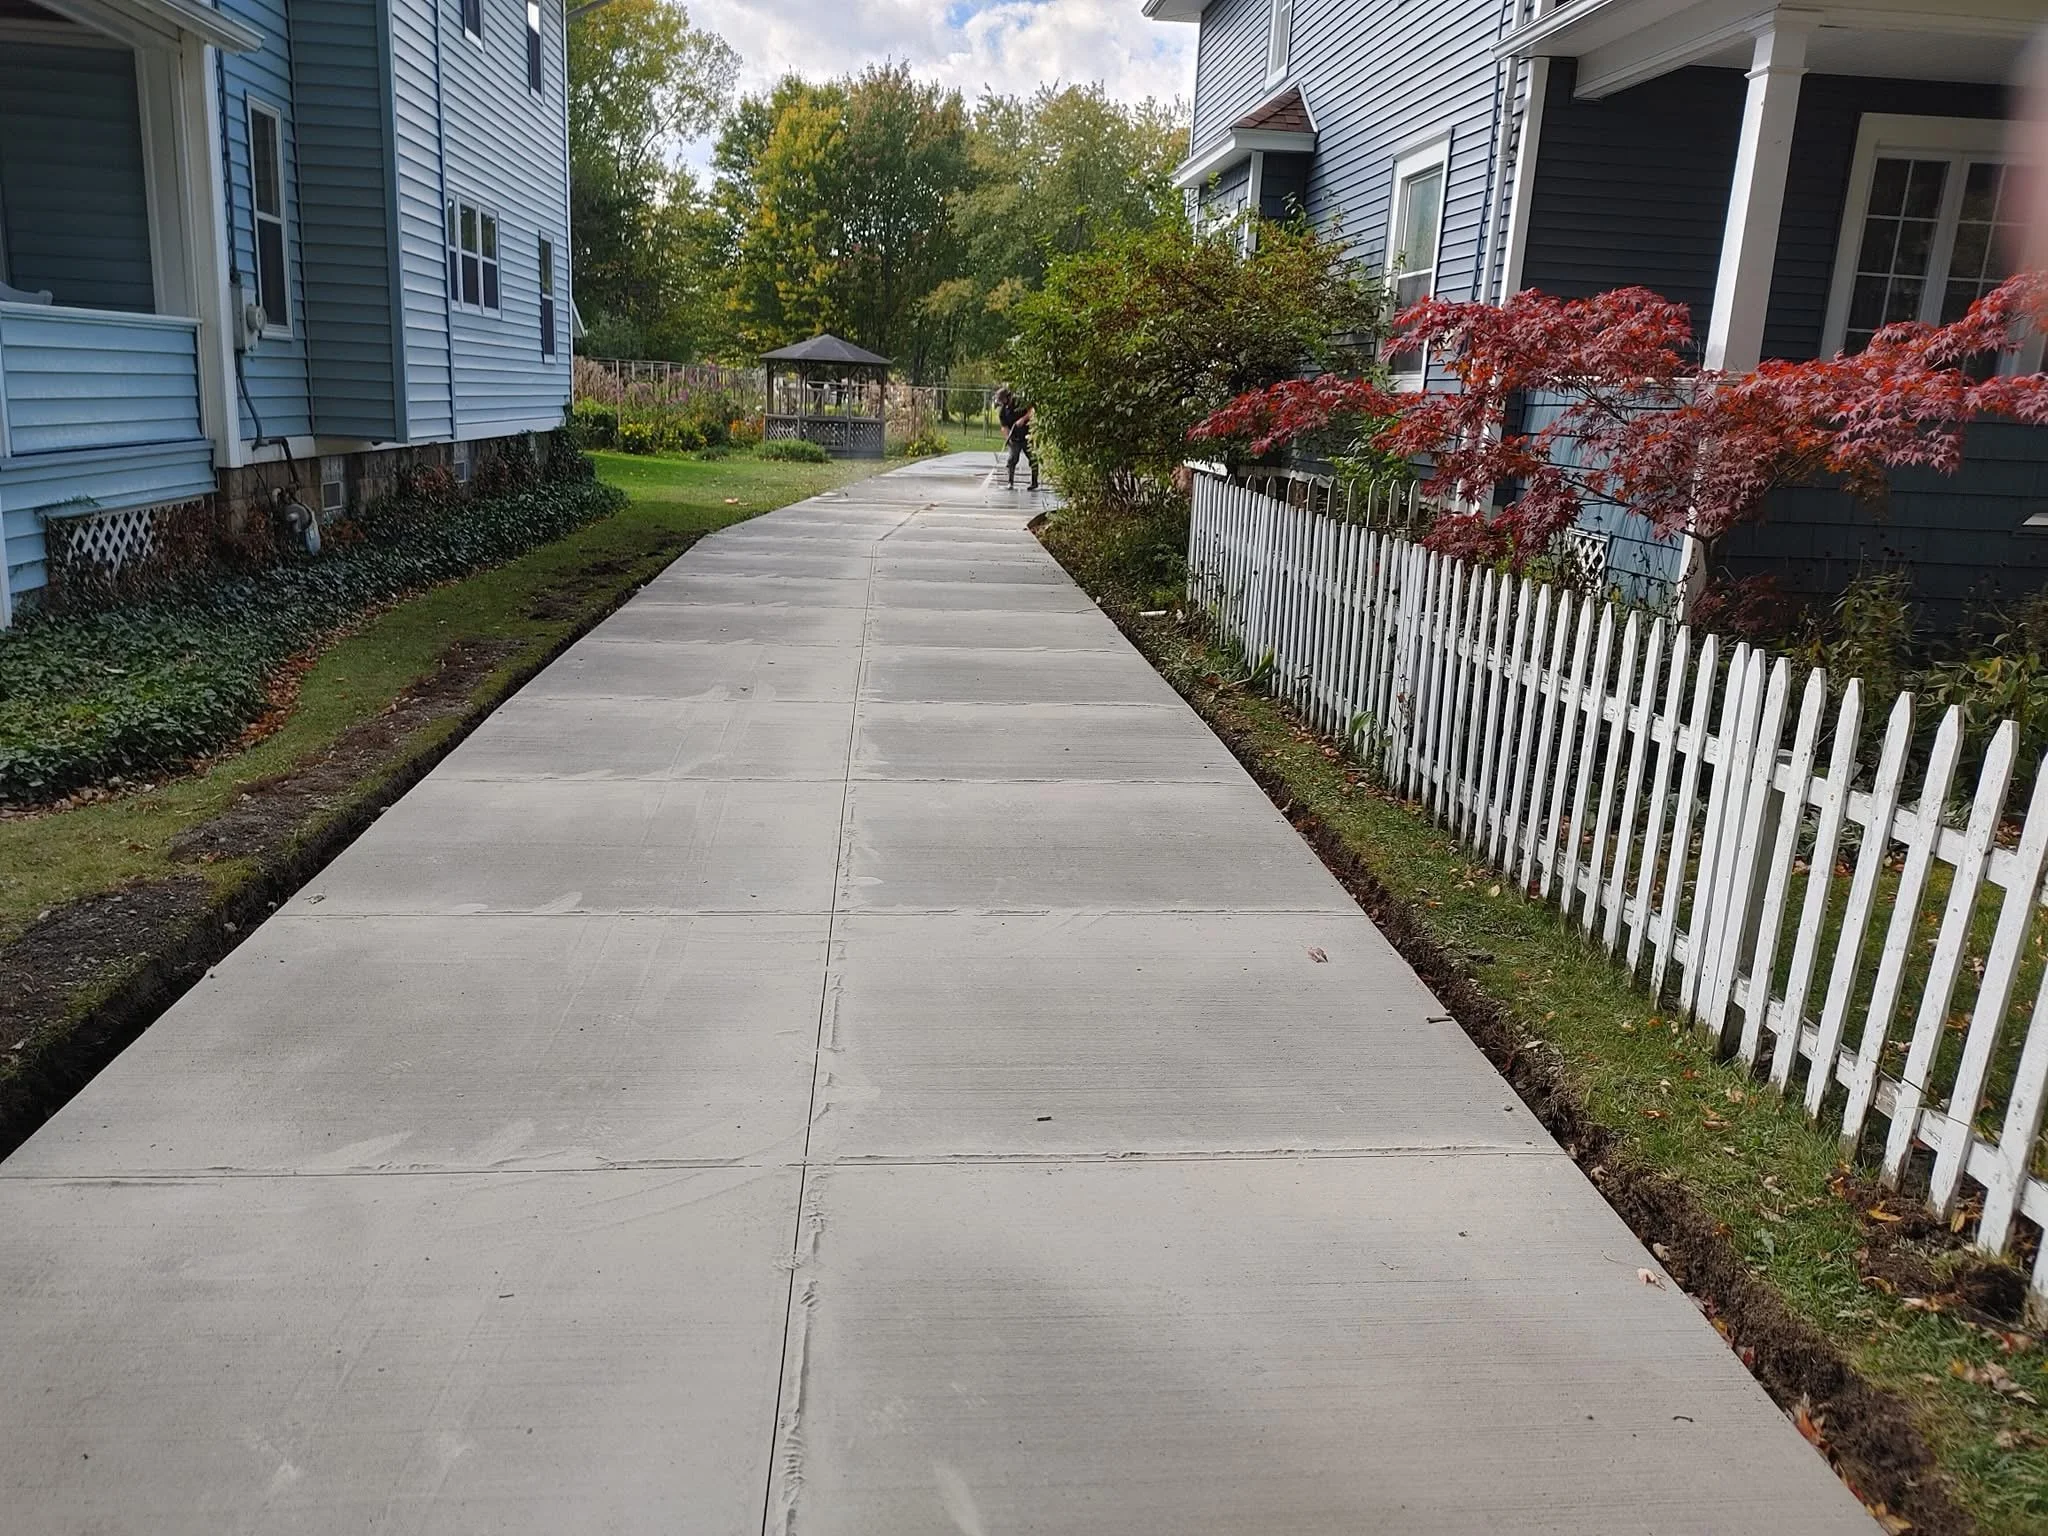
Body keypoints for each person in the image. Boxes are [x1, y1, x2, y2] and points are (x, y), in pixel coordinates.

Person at [995, 385, 1038, 492]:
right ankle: (1010, 482)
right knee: (1012, 460)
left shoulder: (1020, 402)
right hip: (1015, 438)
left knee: (1033, 459)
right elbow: (1004, 427)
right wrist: (1008, 437)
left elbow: (1031, 411)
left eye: (1002, 400)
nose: (1001, 402)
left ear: (1008, 397)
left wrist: (1023, 419)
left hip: (1028, 436)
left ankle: (1034, 482)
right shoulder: (1003, 412)